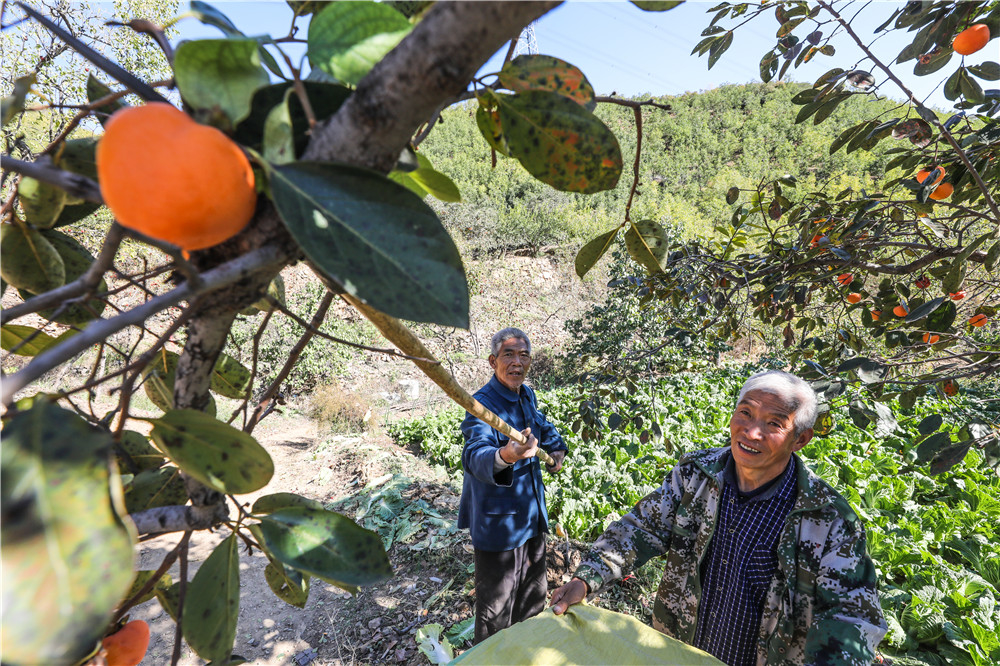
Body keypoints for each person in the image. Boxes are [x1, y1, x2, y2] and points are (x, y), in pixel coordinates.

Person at [549, 370, 887, 666]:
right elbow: (643, 527)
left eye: (774, 423)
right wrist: (587, 578)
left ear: (801, 439)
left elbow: (849, 617)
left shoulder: (827, 518)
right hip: (679, 651)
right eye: (745, 413)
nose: (751, 432)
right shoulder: (696, 474)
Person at [459, 327, 568, 644]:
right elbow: (474, 457)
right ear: (493, 361)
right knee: (497, 613)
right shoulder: (480, 404)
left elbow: (541, 423)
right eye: (508, 354)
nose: (517, 362)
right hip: (499, 528)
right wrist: (507, 454)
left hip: (532, 519)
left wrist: (556, 446)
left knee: (532, 601)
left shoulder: (526, 395)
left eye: (523, 355)